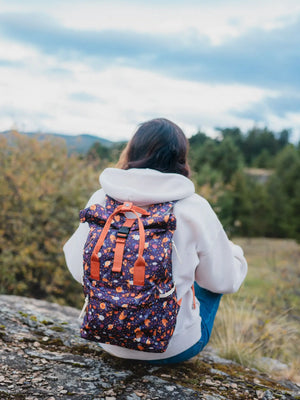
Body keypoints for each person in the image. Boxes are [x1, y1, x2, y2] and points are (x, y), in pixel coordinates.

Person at [63, 117, 247, 364]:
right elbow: (224, 281)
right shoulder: (194, 207)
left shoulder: (102, 199)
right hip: (172, 349)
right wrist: (234, 255)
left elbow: (78, 269)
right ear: (180, 159)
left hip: (104, 337)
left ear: (132, 151)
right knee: (211, 277)